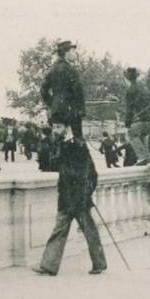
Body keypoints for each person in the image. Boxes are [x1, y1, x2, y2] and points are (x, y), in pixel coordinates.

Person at [32, 121, 107, 276]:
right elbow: (52, 165)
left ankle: (99, 263)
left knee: (89, 231)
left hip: (79, 199)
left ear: (67, 128)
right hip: (66, 197)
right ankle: (48, 266)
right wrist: (54, 146)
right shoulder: (60, 145)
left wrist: (86, 193)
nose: (55, 130)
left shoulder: (79, 146)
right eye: (54, 127)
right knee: (59, 230)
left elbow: (90, 174)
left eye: (58, 127)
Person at [40, 40, 86, 139]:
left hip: (56, 111)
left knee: (58, 139)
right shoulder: (71, 70)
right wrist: (81, 109)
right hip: (71, 111)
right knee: (78, 141)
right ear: (66, 53)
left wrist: (52, 103)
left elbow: (43, 90)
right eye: (73, 51)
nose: (75, 54)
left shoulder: (52, 69)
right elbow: (78, 92)